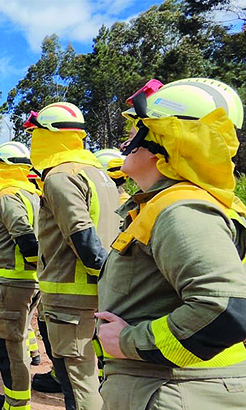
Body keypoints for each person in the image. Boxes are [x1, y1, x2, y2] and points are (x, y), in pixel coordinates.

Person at [96, 78, 246, 409]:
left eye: (138, 130)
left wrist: (129, 341)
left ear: (166, 139)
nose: (127, 140)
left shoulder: (181, 209)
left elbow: (226, 309)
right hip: (173, 387)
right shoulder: (175, 205)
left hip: (175, 391)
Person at [25, 102, 120, 410]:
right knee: (91, 375)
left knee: (78, 383)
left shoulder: (60, 176)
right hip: (97, 295)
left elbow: (80, 233)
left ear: (49, 135)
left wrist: (102, 275)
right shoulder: (98, 173)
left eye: (36, 134)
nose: (32, 142)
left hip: (72, 300)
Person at [0, 141, 42, 410]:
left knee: (8, 346)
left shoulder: (7, 195)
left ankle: (16, 405)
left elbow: (24, 233)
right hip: (27, 281)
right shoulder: (33, 194)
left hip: (13, 282)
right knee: (17, 342)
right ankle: (14, 400)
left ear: (3, 167)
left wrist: (31, 263)